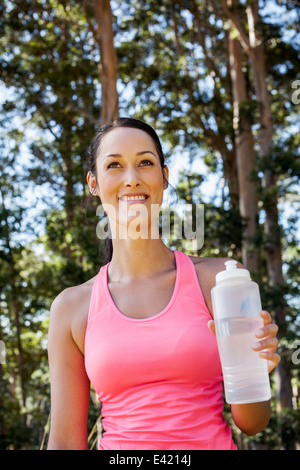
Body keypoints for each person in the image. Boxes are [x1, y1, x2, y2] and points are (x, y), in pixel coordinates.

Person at [47, 117, 280, 450]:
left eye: (145, 162)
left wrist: (257, 368)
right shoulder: (71, 308)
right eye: (114, 165)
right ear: (93, 183)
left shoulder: (220, 281)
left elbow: (252, 423)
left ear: (164, 177)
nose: (132, 178)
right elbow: (65, 444)